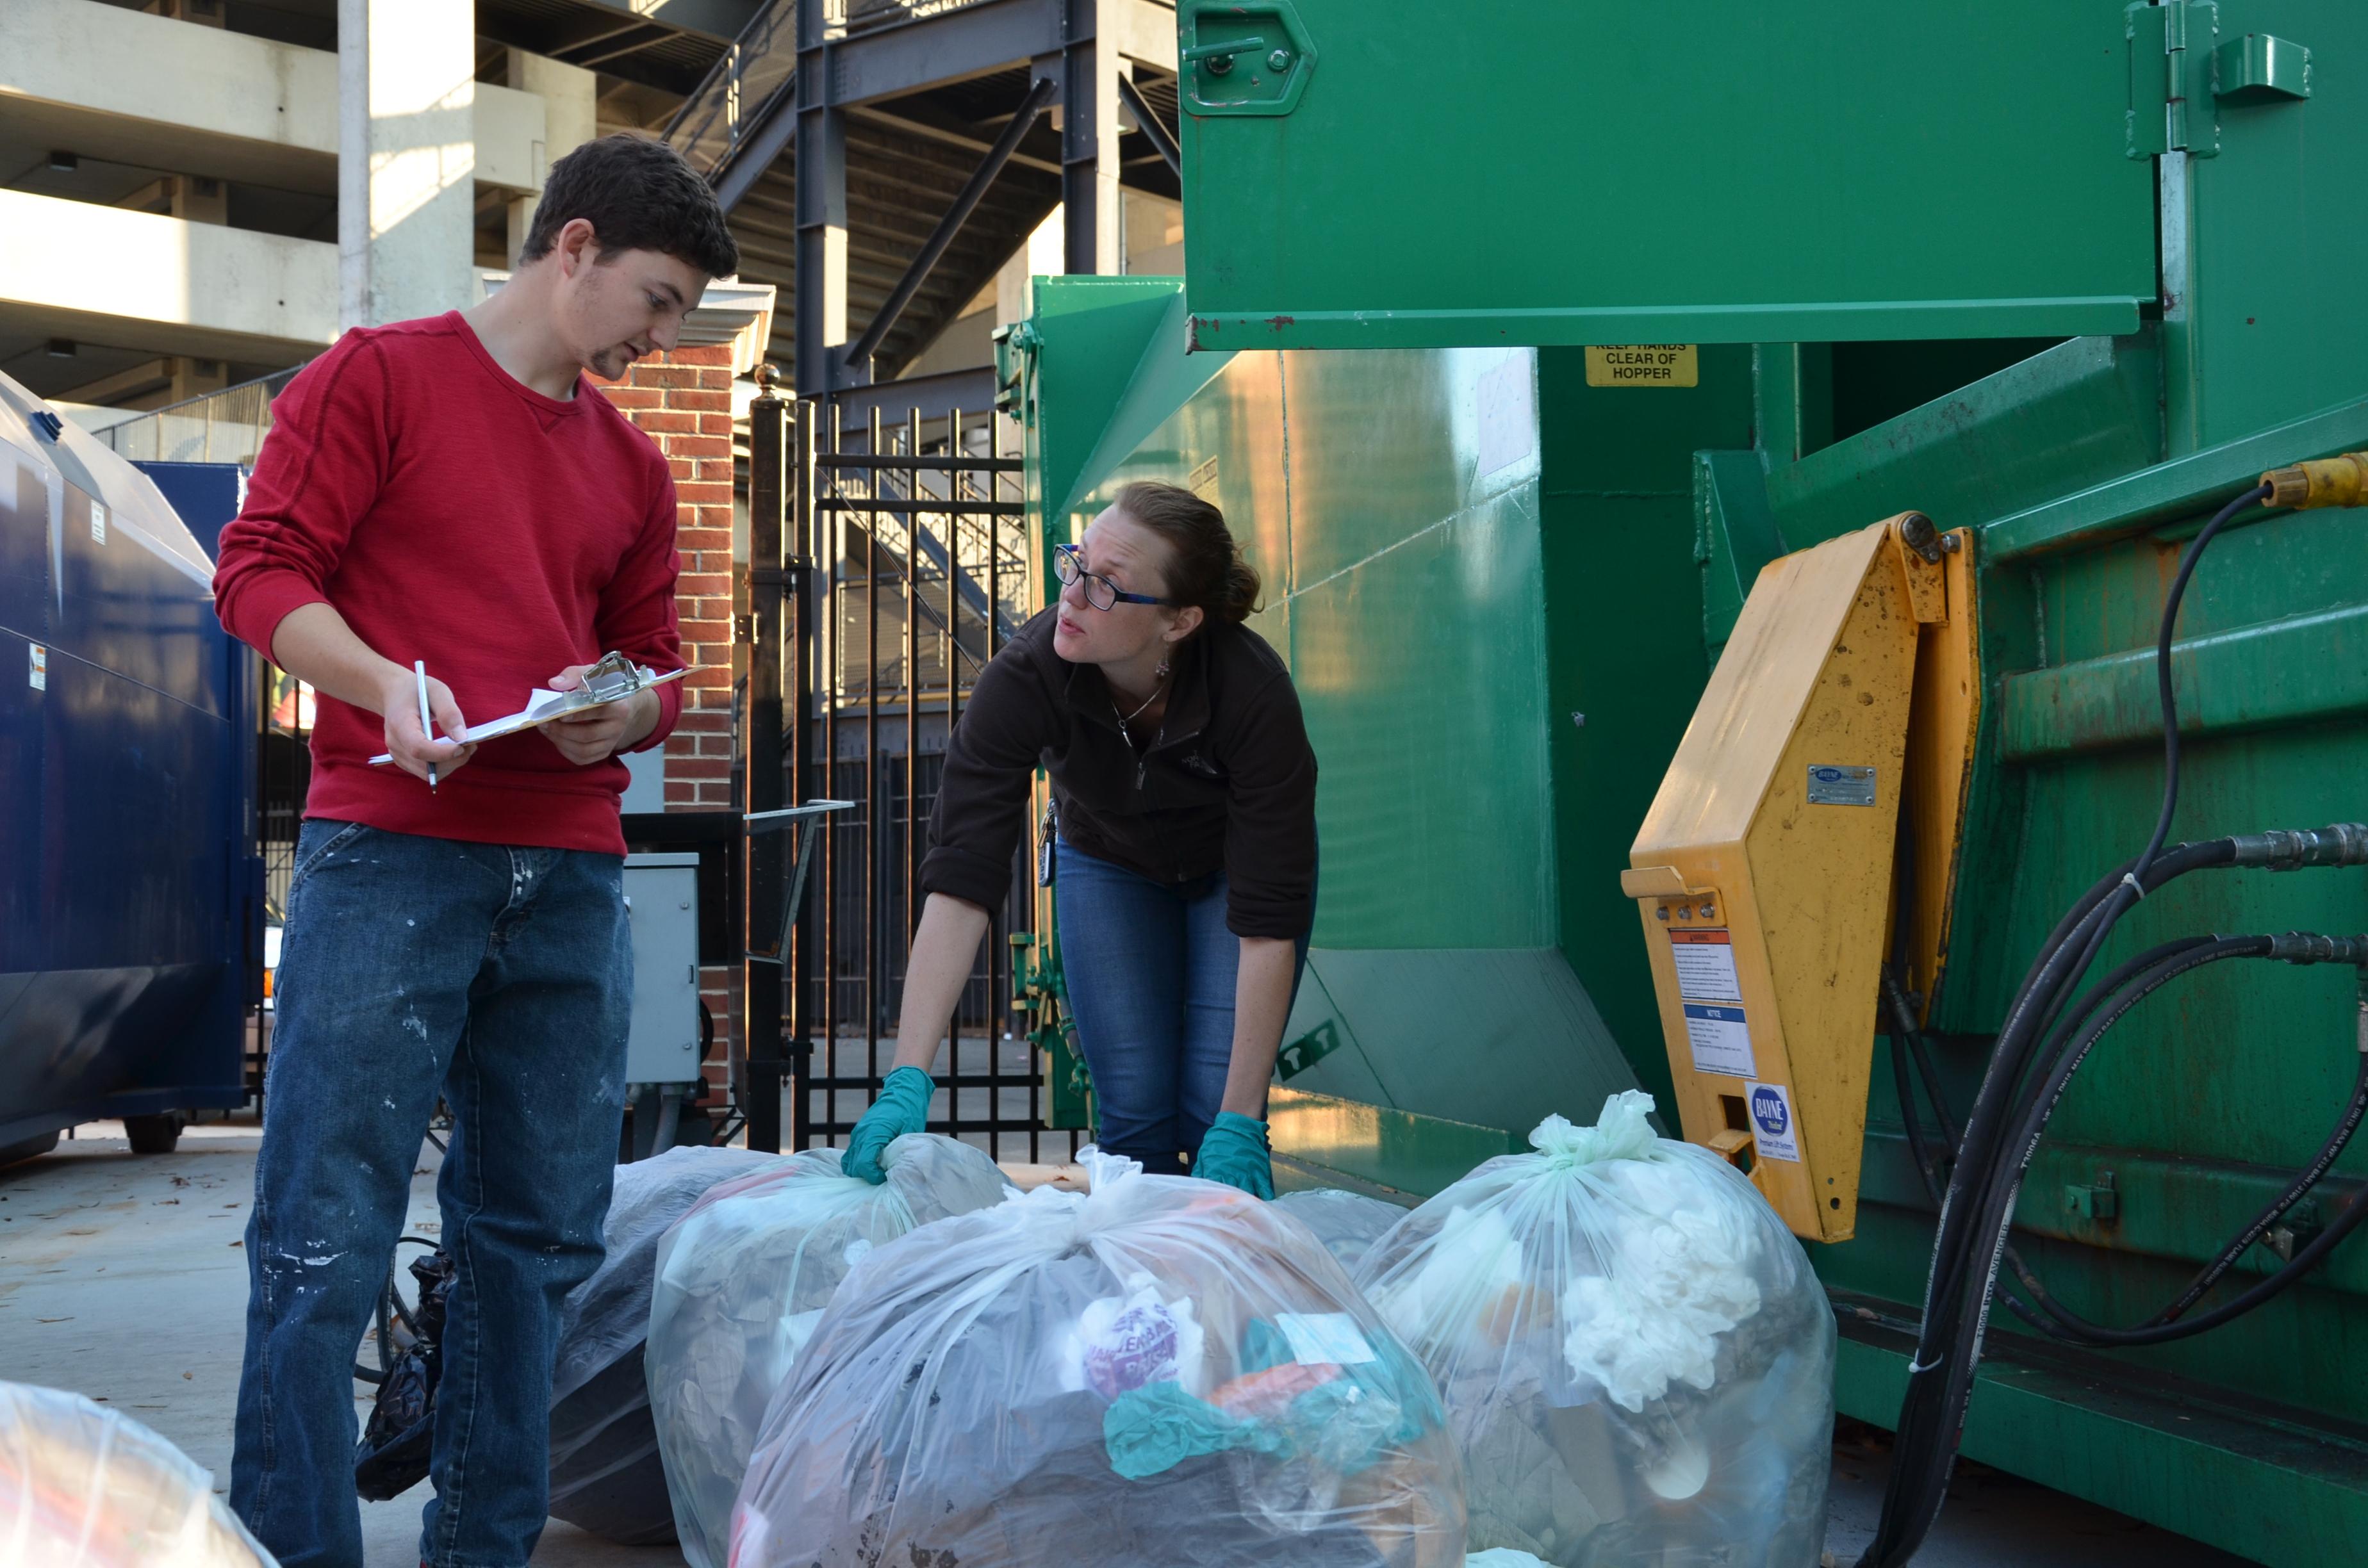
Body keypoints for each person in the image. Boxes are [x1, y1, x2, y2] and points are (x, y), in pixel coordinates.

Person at [208, 134, 737, 1568]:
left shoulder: (631, 465)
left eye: (682, 312)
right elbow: (256, 572)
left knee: (537, 1245)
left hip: (570, 870)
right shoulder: (376, 379)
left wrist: (633, 705)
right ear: (572, 248)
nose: (661, 336)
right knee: (325, 1240)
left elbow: (664, 664)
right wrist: (388, 684)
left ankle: (482, 1554)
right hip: (391, 852)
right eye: (658, 297)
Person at [844, 482, 1319, 1196]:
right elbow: (962, 874)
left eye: (1107, 587)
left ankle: (1221, 1285)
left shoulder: (1251, 693)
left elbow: (1269, 916)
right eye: (1076, 565)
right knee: (1134, 1121)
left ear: (1179, 621)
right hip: (1106, 861)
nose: (1070, 596)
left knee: (1210, 1107)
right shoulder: (1028, 674)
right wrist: (906, 1077)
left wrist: (1242, 1119)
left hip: (1231, 877)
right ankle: (1141, 1307)